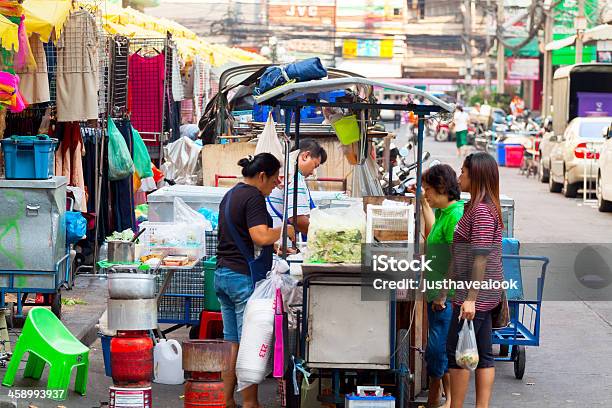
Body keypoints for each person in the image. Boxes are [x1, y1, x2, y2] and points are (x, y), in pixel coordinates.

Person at [215, 153, 295, 408]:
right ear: (262, 176)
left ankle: (227, 400)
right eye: (273, 181)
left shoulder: (231, 194)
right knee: (250, 343)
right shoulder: (253, 197)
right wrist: (286, 230)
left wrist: (277, 246)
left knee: (232, 343)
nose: (274, 187)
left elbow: (243, 236)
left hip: (222, 275)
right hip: (241, 278)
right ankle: (250, 404)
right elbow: (260, 236)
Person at [442, 152, 504, 408]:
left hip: (476, 294)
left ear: (475, 175)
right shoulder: (481, 207)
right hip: (484, 293)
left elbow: (480, 257)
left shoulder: (480, 211)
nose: (459, 177)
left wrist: (470, 299)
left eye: (463, 172)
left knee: (457, 354)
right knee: (483, 353)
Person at [416, 164, 464, 408]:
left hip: (447, 298)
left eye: (428, 190)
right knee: (439, 350)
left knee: (438, 351)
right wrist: (423, 203)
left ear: (441, 188)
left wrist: (443, 294)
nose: (426, 193)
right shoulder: (445, 213)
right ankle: (440, 399)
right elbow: (433, 226)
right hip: (436, 295)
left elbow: (458, 257)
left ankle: (444, 400)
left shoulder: (456, 215)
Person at [266, 139, 327, 239]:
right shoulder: (293, 176)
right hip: (280, 244)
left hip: (274, 241)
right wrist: (324, 236)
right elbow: (297, 219)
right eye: (315, 166)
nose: (313, 172)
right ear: (305, 156)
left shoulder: (284, 171)